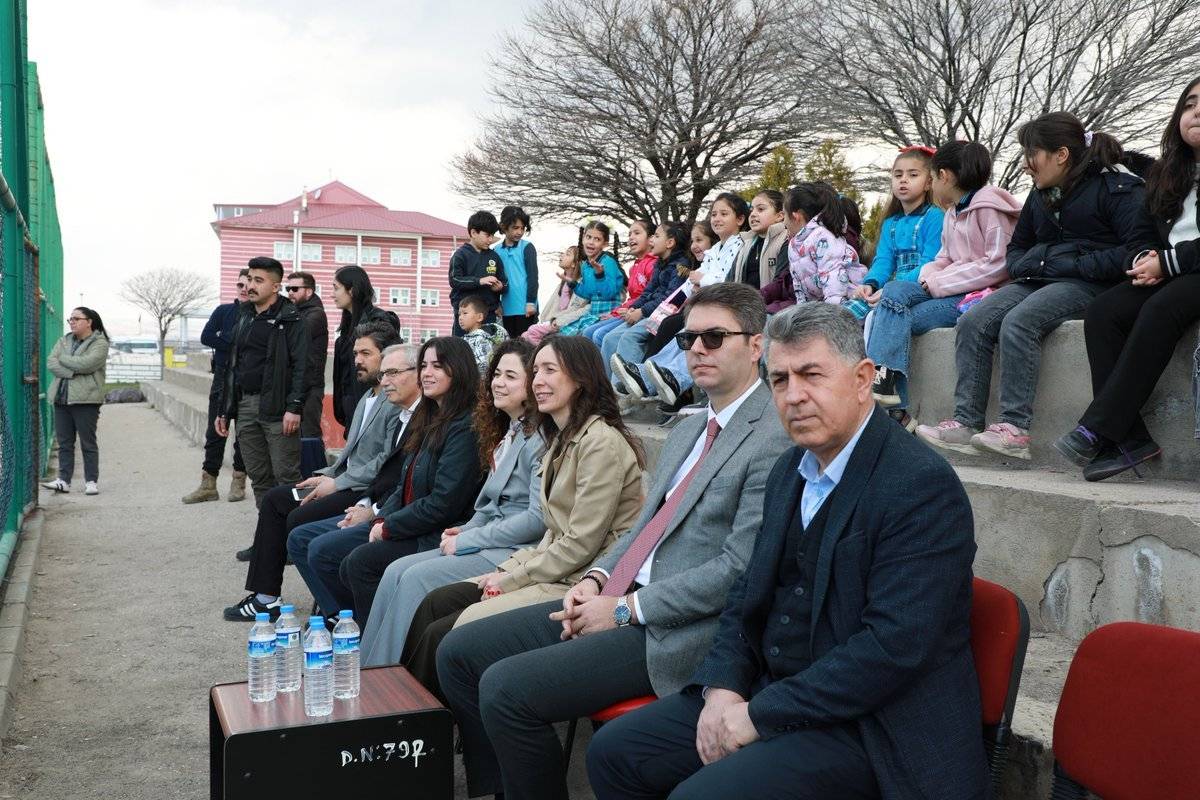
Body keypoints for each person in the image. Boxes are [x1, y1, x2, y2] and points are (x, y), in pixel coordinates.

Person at [587, 302, 987, 800]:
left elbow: (892, 648)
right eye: (779, 379)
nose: (794, 395)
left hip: (872, 725)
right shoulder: (790, 470)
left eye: (811, 375)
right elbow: (746, 593)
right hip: (773, 692)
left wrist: (758, 715)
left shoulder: (920, 485)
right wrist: (723, 686)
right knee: (616, 753)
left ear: (863, 379)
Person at [434, 285, 790, 799]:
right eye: (688, 338)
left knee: (506, 689)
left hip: (676, 629)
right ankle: (495, 789)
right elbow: (645, 527)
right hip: (616, 598)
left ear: (756, 345)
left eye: (714, 337)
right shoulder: (689, 430)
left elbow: (738, 569)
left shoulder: (773, 435)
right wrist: (599, 579)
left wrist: (625, 609)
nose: (697, 349)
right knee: (459, 651)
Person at [403, 334, 646, 700]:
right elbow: (553, 532)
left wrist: (511, 580)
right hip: (556, 568)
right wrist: (506, 570)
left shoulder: (600, 443)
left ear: (580, 379)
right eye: (536, 372)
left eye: (550, 370)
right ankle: (407, 710)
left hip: (579, 582)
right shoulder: (561, 438)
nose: (538, 382)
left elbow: (580, 544)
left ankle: (421, 719)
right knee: (437, 601)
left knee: (447, 634)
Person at [917, 113, 1157, 460]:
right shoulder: (1041, 193)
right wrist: (1032, 264)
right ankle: (966, 422)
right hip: (1040, 278)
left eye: (1032, 153)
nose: (1026, 164)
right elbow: (1016, 248)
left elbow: (1136, 249)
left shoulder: (1117, 187)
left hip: (1091, 284)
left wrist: (1074, 265)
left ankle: (1014, 428)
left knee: (1020, 321)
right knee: (973, 320)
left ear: (1061, 155)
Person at [360, 338, 546, 666]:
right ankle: (370, 667)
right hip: (485, 536)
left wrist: (469, 537)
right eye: (496, 374)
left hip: (514, 549)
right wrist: (465, 531)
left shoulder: (539, 438)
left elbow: (534, 520)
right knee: (394, 571)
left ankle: (388, 676)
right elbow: (487, 506)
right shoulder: (509, 432)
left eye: (510, 376)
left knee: (413, 576)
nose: (498, 383)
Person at [1052, 78, 1200, 481]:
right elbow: (1140, 232)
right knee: (1104, 311)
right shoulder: (1166, 173)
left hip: (1189, 272)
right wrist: (1143, 259)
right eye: (1190, 104)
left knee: (1162, 306)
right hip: (1171, 270)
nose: (1196, 112)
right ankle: (1132, 439)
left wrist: (1167, 263)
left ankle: (1097, 427)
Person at [222, 322, 401, 620]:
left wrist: (337, 483)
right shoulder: (367, 397)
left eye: (366, 354)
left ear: (388, 357)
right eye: (355, 354)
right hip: (342, 481)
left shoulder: (394, 401)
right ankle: (266, 598)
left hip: (360, 490)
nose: (357, 360)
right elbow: (350, 455)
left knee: (297, 517)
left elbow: (385, 463)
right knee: (277, 499)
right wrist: (328, 474)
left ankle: (331, 605)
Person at [306, 336, 485, 624]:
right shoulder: (433, 418)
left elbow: (444, 504)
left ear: (460, 370)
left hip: (439, 533)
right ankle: (363, 630)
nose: (427, 373)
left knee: (358, 563)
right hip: (412, 523)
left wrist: (388, 526)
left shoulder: (464, 427)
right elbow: (404, 484)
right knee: (336, 554)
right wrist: (380, 519)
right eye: (424, 365)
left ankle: (378, 640)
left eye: (437, 366)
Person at [868, 142, 1022, 431]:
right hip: (946, 288)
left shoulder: (989, 209)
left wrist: (939, 283)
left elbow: (998, 264)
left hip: (977, 296)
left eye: (932, 177)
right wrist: (929, 278)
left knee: (896, 318)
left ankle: (895, 408)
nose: (933, 185)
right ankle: (883, 380)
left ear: (944, 176)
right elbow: (943, 259)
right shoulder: (953, 212)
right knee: (893, 291)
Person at [286, 343, 423, 617]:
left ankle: (351, 622)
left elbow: (402, 482)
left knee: (321, 546)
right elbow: (384, 474)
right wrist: (362, 502)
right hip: (373, 499)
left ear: (418, 374)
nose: (385, 381)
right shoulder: (397, 412)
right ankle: (338, 617)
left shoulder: (424, 418)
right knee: (298, 534)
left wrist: (373, 513)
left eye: (393, 373)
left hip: (398, 516)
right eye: (383, 374)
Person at [214, 257, 308, 507]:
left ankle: (295, 529)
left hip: (278, 407)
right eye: (249, 279)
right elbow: (233, 366)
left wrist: (294, 407)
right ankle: (267, 528)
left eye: (258, 280)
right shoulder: (244, 316)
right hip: (245, 406)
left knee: (287, 476)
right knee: (258, 476)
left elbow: (303, 367)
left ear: (276, 286)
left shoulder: (291, 318)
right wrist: (224, 409)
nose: (250, 286)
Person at [182, 270, 249, 504]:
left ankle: (238, 483)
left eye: (248, 284)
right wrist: (233, 340)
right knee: (214, 433)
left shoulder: (258, 315)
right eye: (240, 284)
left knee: (244, 434)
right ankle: (208, 485)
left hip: (246, 379)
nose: (243, 288)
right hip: (221, 378)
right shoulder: (223, 311)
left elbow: (252, 345)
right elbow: (206, 337)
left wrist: (225, 338)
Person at [600, 220, 691, 384]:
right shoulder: (659, 263)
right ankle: (607, 389)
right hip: (647, 311)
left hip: (663, 315)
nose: (651, 240)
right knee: (609, 338)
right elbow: (647, 292)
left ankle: (625, 389)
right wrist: (634, 307)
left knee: (630, 337)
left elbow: (670, 299)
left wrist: (641, 311)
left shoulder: (680, 266)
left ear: (670, 243)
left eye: (656, 236)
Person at [854, 146, 946, 306]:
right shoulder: (890, 223)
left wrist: (892, 288)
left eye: (913, 175)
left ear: (928, 183)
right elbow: (884, 260)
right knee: (852, 309)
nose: (903, 179)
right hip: (892, 288)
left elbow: (931, 262)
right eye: (898, 175)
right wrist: (871, 284)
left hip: (923, 288)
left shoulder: (935, 217)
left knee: (881, 310)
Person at [43, 307, 110, 495]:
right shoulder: (64, 340)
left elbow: (88, 364)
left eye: (76, 318)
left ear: (89, 322)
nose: (72, 321)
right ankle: (63, 480)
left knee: (88, 443)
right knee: (64, 443)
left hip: (86, 400)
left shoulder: (100, 343)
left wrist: (63, 359)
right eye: (70, 319)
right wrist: (72, 371)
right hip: (61, 398)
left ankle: (91, 481)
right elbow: (51, 363)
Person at [330, 264, 400, 431]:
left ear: (352, 290)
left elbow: (391, 369)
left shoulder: (379, 323)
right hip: (352, 413)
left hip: (374, 413)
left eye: (336, 288)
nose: (332, 294)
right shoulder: (346, 330)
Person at [584, 218, 657, 350]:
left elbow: (649, 295)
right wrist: (615, 313)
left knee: (599, 335)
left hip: (640, 312)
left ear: (651, 239)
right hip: (626, 310)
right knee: (588, 332)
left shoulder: (654, 264)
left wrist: (624, 310)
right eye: (629, 234)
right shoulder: (634, 267)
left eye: (637, 233)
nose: (631, 237)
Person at [557, 221, 625, 336]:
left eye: (597, 239)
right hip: (594, 312)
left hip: (608, 312)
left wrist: (600, 275)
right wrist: (573, 284)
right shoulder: (585, 266)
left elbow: (609, 294)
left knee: (579, 336)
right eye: (588, 237)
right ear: (583, 238)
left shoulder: (608, 262)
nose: (591, 242)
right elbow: (588, 294)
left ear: (605, 244)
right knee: (563, 334)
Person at [284, 270, 329, 439]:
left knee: (309, 437)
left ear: (309, 291)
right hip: (296, 384)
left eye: (295, 289)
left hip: (310, 387)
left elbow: (292, 337)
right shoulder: (294, 311)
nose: (290, 292)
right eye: (288, 288)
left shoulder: (316, 314)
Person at [450, 210, 506, 336]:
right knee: (461, 346)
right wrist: (479, 281)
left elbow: (504, 282)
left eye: (492, 235)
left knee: (488, 346)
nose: (490, 239)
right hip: (465, 314)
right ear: (473, 233)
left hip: (488, 314)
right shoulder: (460, 255)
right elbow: (454, 280)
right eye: (487, 235)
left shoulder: (494, 257)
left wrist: (500, 287)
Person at [523, 248, 590, 346]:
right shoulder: (562, 284)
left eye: (567, 254)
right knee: (525, 335)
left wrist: (557, 321)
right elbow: (552, 307)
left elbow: (576, 309)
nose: (562, 255)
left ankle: (542, 351)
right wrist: (546, 321)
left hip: (564, 322)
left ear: (574, 264)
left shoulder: (580, 285)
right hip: (553, 321)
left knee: (532, 331)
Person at [493, 205, 540, 338]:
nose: (519, 232)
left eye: (522, 228)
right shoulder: (496, 250)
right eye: (515, 228)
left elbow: (533, 277)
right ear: (504, 227)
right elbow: (495, 280)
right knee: (510, 345)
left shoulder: (527, 247)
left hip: (526, 307)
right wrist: (497, 304)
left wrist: (531, 302)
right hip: (506, 308)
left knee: (525, 345)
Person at [727, 189, 788, 289]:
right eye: (751, 210)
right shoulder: (745, 243)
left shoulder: (786, 240)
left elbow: (781, 286)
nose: (753, 214)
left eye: (760, 209)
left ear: (779, 216)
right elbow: (729, 282)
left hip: (767, 299)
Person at [458, 294, 508, 374]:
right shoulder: (495, 332)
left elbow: (483, 367)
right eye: (459, 314)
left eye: (465, 313)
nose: (460, 317)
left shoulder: (479, 339)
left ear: (479, 317)